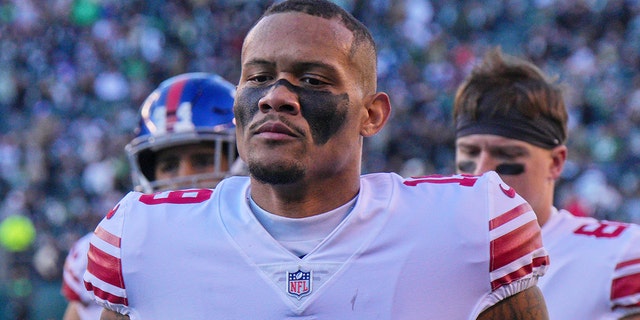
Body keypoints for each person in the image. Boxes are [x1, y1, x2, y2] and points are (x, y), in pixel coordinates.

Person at [84, 1, 550, 319]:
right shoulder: (142, 237)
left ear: (372, 114)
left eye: (312, 80)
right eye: (259, 77)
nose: (276, 97)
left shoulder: (471, 225)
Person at [453, 47, 640, 319]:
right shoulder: (430, 251)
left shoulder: (616, 257)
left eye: (507, 154)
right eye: (470, 153)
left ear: (556, 163)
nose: (482, 172)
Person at [61, 72, 238, 320]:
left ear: (242, 160)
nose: (183, 178)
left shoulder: (272, 242)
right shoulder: (107, 253)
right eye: (169, 166)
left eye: (203, 161)